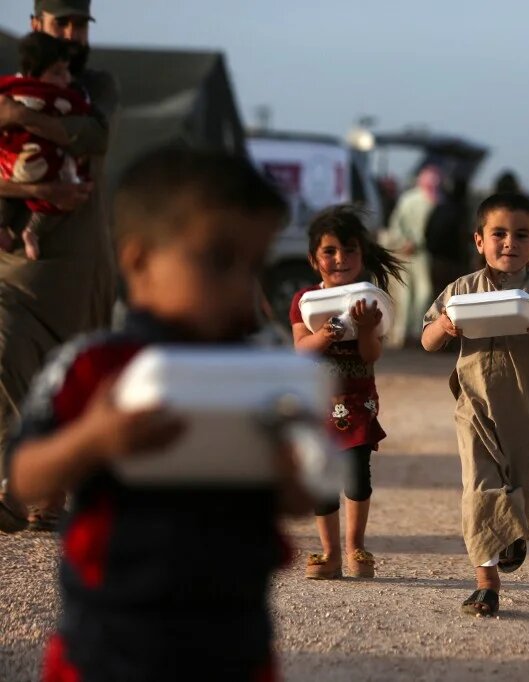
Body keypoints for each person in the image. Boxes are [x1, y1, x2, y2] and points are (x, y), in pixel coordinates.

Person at [3, 147, 304, 680]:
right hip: (108, 649)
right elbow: (24, 476)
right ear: (138, 259)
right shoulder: (95, 365)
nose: (242, 286)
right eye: (218, 261)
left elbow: (307, 494)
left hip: (235, 645)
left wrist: (288, 464)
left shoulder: (261, 369)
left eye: (252, 265)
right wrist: (92, 440)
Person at [422, 192, 529, 617]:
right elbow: (426, 339)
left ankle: (513, 532)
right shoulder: (460, 291)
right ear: (479, 241)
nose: (509, 242)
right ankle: (486, 584)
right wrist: (444, 325)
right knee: (479, 489)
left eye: (521, 234)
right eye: (499, 234)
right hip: (475, 409)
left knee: (522, 489)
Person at [0, 0, 120, 534]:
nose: (72, 34)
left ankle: (48, 494)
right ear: (36, 26)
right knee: (6, 361)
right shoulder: (13, 81)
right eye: (61, 23)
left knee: (75, 381)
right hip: (18, 264)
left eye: (78, 24)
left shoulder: (95, 85)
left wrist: (21, 116)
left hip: (82, 262)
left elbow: (94, 137)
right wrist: (37, 190)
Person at [291, 205, 404, 580]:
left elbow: (372, 355)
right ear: (314, 259)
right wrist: (327, 334)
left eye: (350, 249)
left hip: (356, 404)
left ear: (362, 254)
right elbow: (300, 349)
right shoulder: (306, 302)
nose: (341, 259)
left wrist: (367, 328)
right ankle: (330, 553)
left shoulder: (370, 299)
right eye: (330, 251)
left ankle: (356, 546)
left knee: (357, 475)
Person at [0, 31, 91, 261]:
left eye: (66, 71)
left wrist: (20, 115)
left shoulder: (12, 95)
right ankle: (26, 230)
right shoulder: (53, 99)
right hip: (31, 165)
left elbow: (89, 137)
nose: (66, 79)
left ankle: (16, 230)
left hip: (18, 168)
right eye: (57, 73)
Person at [383, 166, 440, 349]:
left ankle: (413, 334)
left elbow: (396, 225)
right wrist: (406, 242)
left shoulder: (429, 200)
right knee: (411, 293)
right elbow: (397, 225)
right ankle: (407, 334)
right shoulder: (415, 199)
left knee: (420, 292)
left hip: (418, 253)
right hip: (409, 252)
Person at [425, 177, 470, 299]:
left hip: (436, 262)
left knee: (439, 297)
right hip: (454, 264)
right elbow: (463, 238)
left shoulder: (439, 208)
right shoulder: (462, 211)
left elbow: (427, 231)